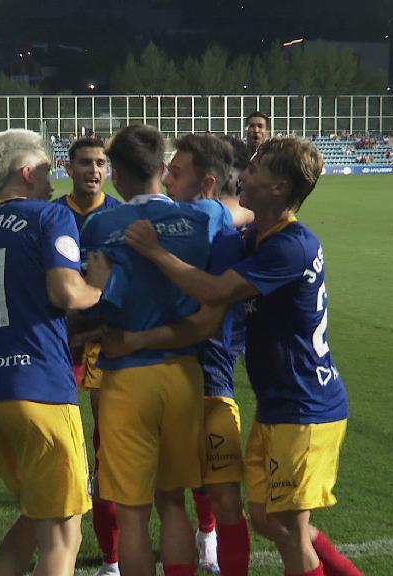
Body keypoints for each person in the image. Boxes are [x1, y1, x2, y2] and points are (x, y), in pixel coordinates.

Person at [110, 137, 362, 576]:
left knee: (289, 529)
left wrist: (154, 250)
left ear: (280, 188)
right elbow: (231, 214)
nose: (244, 175)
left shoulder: (289, 246)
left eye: (257, 169)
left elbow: (214, 293)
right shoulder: (256, 236)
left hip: (306, 407)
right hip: (278, 403)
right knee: (266, 519)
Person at [79, 124, 228, 576]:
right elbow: (233, 215)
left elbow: (92, 298)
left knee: (132, 510)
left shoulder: (100, 224)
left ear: (116, 176)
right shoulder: (207, 216)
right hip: (183, 373)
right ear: (163, 170)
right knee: (174, 502)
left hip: (126, 375)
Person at [0, 129, 106, 575]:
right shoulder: (48, 216)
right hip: (38, 387)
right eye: (44, 169)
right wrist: (98, 283)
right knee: (64, 535)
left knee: (34, 513)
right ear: (25, 173)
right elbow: (65, 293)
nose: (50, 177)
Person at [160, 133, 250, 576]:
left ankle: (210, 536)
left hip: (211, 378)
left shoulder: (221, 232)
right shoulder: (178, 221)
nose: (166, 180)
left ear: (208, 184)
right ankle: (206, 537)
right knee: (173, 494)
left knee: (224, 494)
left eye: (175, 174)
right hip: (165, 380)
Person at [52, 135, 122, 576]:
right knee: (62, 434)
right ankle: (64, 505)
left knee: (106, 440)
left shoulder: (118, 215)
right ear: (69, 167)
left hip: (104, 339)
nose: (93, 171)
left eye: (100, 163)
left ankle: (109, 552)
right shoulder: (54, 214)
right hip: (60, 339)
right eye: (84, 163)